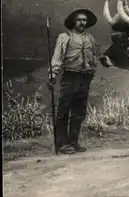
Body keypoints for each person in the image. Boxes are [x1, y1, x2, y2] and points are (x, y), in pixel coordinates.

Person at [49, 8, 98, 154]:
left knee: (79, 112)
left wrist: (92, 70)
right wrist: (52, 75)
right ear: (73, 22)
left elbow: (93, 57)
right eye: (79, 20)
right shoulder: (65, 37)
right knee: (64, 110)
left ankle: (73, 142)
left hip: (85, 77)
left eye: (84, 20)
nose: (82, 22)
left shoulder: (90, 38)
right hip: (70, 77)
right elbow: (57, 57)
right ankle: (61, 145)